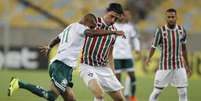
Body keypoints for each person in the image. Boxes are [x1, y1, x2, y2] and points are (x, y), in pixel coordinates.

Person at [8, 13, 125, 101]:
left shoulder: (71, 27)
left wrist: (49, 46)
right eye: (91, 26)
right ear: (86, 22)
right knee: (51, 96)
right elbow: (92, 33)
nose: (93, 29)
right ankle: (19, 83)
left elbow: (57, 38)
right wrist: (113, 32)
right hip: (61, 66)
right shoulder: (81, 27)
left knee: (71, 99)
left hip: (64, 67)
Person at [80, 3, 126, 101]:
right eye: (112, 16)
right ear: (106, 12)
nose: (113, 20)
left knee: (120, 99)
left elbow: (109, 53)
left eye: (116, 19)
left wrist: (112, 72)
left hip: (103, 68)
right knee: (99, 94)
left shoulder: (114, 31)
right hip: (87, 65)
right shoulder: (93, 23)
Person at [146, 8, 191, 101]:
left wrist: (187, 64)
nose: (171, 19)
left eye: (173, 17)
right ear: (166, 18)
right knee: (156, 92)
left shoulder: (181, 30)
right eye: (169, 17)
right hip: (164, 66)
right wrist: (149, 58)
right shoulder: (160, 31)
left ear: (176, 17)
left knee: (183, 92)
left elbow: (184, 48)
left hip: (179, 66)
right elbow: (153, 46)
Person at [113, 9, 141, 101]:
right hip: (116, 56)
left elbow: (135, 38)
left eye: (124, 15)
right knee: (117, 78)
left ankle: (132, 96)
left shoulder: (129, 27)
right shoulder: (113, 26)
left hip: (127, 55)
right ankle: (119, 97)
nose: (122, 17)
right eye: (121, 15)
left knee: (132, 76)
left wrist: (137, 49)